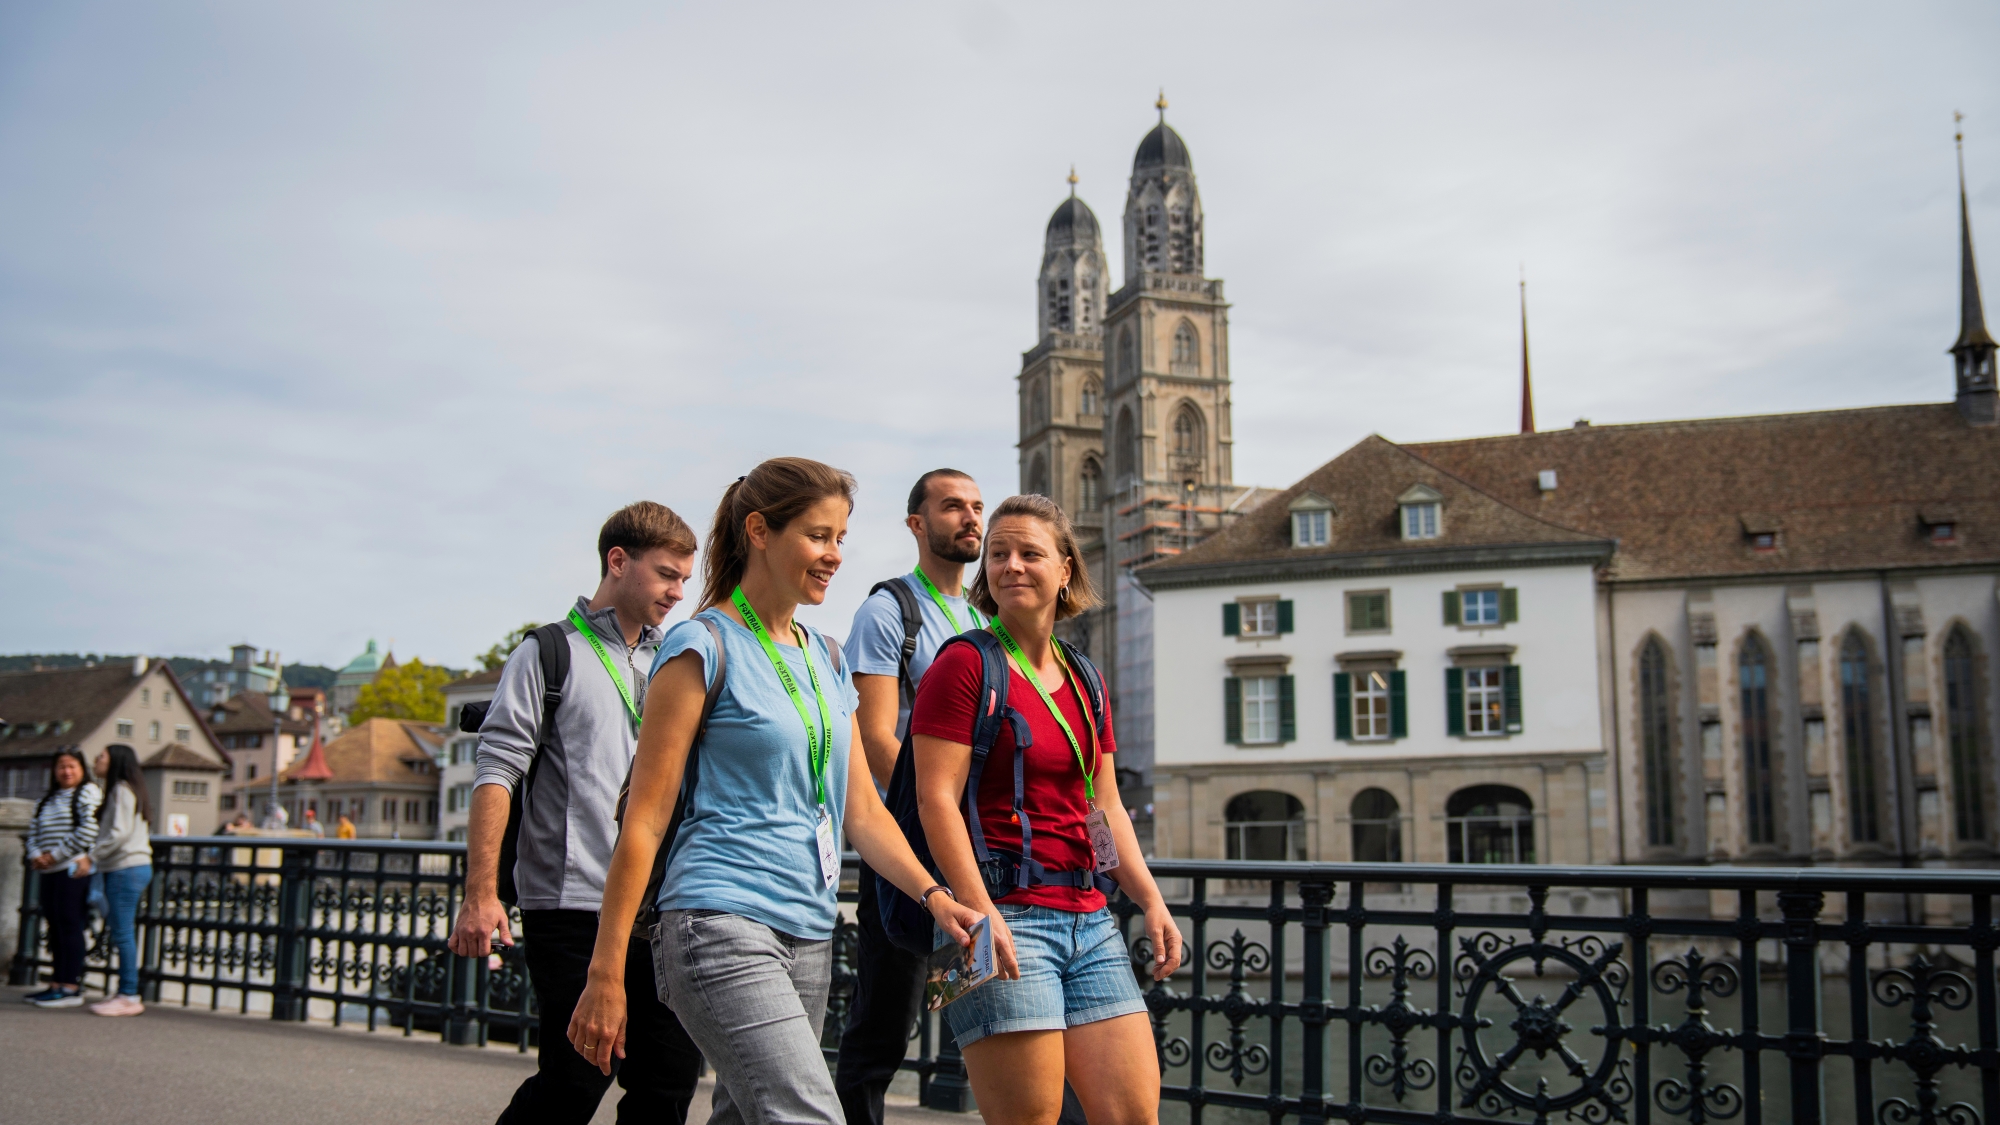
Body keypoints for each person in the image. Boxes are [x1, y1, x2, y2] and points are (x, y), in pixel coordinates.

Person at [567, 458, 985, 1125]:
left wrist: (935, 894)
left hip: (810, 929)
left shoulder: (826, 654)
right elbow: (643, 820)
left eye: (842, 538)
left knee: (747, 1116)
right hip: (718, 919)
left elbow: (862, 812)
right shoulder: (700, 646)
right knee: (808, 1114)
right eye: (820, 535)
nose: (835, 555)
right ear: (760, 530)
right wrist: (606, 970)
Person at [911, 494, 1183, 1125]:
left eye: (1030, 553)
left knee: (1131, 1114)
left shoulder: (1085, 677)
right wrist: (981, 915)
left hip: (1088, 919)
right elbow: (937, 802)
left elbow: (1100, 808)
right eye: (999, 553)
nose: (1010, 565)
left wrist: (1149, 899)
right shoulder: (964, 664)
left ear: (1065, 570)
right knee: (1029, 1118)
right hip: (1000, 916)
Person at [448, 501, 708, 1125]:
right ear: (618, 562)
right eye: (668, 575)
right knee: (576, 1080)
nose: (679, 592)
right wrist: (481, 894)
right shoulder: (547, 653)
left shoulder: (673, 657)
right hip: (572, 905)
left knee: (667, 1084)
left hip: (659, 908)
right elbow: (497, 773)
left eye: (685, 578)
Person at [836, 468, 985, 1125]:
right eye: (953, 506)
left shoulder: (986, 619)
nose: (971, 517)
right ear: (917, 524)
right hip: (907, 853)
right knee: (884, 1028)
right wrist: (939, 806)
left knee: (994, 1010)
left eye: (978, 506)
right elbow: (873, 736)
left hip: (976, 852)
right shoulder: (889, 611)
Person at [73, 743, 154, 1017]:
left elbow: (118, 833)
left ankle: (129, 995)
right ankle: (126, 991)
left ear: (116, 760)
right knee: (123, 931)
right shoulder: (129, 789)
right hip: (132, 866)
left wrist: (91, 857)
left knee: (122, 933)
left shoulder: (121, 789)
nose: (97, 759)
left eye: (102, 755)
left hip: (125, 867)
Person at [24, 747, 101, 1008]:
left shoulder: (87, 793)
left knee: (70, 925)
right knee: (54, 926)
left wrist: (55, 855)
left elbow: (90, 827)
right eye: (61, 767)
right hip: (49, 870)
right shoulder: (47, 800)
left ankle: (70, 985)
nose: (66, 772)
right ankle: (56, 982)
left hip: (72, 868)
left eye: (72, 766)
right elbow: (33, 830)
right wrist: (36, 854)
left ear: (82, 769)